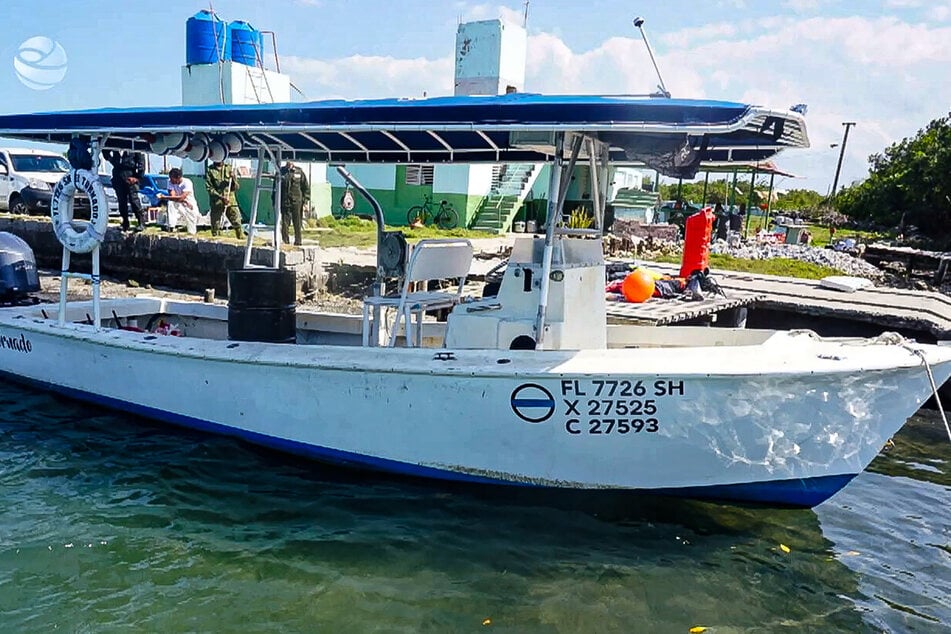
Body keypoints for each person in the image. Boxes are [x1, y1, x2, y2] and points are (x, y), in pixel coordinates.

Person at [104, 150, 146, 232]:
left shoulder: (133, 149)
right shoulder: (115, 148)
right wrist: (110, 159)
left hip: (130, 176)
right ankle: (125, 222)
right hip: (118, 176)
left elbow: (141, 164)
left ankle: (141, 222)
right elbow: (105, 152)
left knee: (134, 200)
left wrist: (137, 178)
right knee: (121, 201)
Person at [205, 160, 245, 239]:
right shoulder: (210, 170)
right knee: (215, 223)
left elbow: (236, 187)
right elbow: (209, 188)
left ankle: (241, 237)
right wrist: (221, 197)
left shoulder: (229, 168)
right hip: (217, 201)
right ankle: (215, 239)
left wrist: (233, 178)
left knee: (236, 220)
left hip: (230, 200)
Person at [277, 160, 309, 246]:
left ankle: (298, 241)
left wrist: (305, 202)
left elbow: (305, 187)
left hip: (297, 202)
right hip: (285, 201)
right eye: (288, 160)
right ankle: (285, 241)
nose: (290, 162)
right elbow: (276, 187)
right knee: (285, 223)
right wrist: (274, 201)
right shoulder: (281, 171)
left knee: (297, 222)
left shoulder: (299, 171)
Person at [159, 168, 199, 235]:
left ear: (178, 177)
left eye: (172, 178)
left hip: (189, 204)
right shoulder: (170, 182)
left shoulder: (187, 182)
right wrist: (180, 200)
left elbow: (181, 198)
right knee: (171, 203)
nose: (170, 180)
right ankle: (171, 226)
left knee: (191, 226)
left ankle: (191, 233)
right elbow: (173, 196)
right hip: (180, 203)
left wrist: (164, 197)